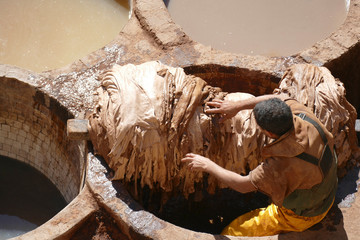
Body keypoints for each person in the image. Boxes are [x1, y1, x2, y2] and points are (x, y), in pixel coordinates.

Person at [181, 94, 338, 236]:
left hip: (306, 213)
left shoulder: (280, 165)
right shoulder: (303, 114)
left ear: (268, 133)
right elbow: (279, 96)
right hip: (327, 189)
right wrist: (237, 106)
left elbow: (242, 185)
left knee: (232, 232)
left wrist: (208, 165)